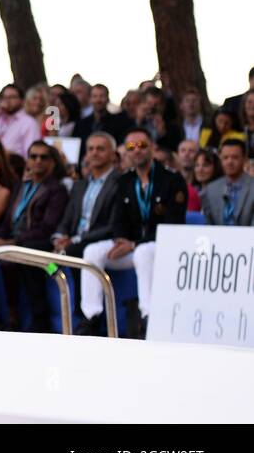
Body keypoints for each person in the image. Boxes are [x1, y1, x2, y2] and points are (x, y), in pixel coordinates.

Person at [77, 129, 188, 338]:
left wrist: (134, 244)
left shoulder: (172, 180)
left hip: (160, 247)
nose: (136, 150)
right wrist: (120, 240)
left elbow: (173, 225)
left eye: (142, 145)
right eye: (130, 147)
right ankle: (91, 316)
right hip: (131, 246)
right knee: (92, 251)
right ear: (125, 152)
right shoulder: (125, 180)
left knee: (143, 252)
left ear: (152, 148)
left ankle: (148, 316)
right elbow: (118, 218)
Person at [0, 139, 69, 332]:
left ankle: (38, 319)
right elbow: (9, 219)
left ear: (52, 162)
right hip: (15, 240)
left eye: (44, 157)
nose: (38, 161)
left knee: (27, 255)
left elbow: (48, 227)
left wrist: (12, 242)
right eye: (33, 156)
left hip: (39, 243)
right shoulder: (20, 186)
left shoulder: (56, 189)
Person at [52, 132, 121, 258]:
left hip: (98, 241)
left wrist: (75, 240)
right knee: (39, 250)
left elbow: (111, 226)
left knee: (71, 252)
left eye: (100, 149)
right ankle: (55, 275)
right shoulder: (79, 185)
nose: (94, 153)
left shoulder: (120, 183)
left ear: (113, 155)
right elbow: (67, 218)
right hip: (73, 241)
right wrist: (60, 237)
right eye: (90, 149)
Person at [201, 139, 254, 226]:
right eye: (225, 157)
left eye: (235, 157)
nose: (229, 162)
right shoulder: (211, 189)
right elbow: (208, 226)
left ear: (245, 159)